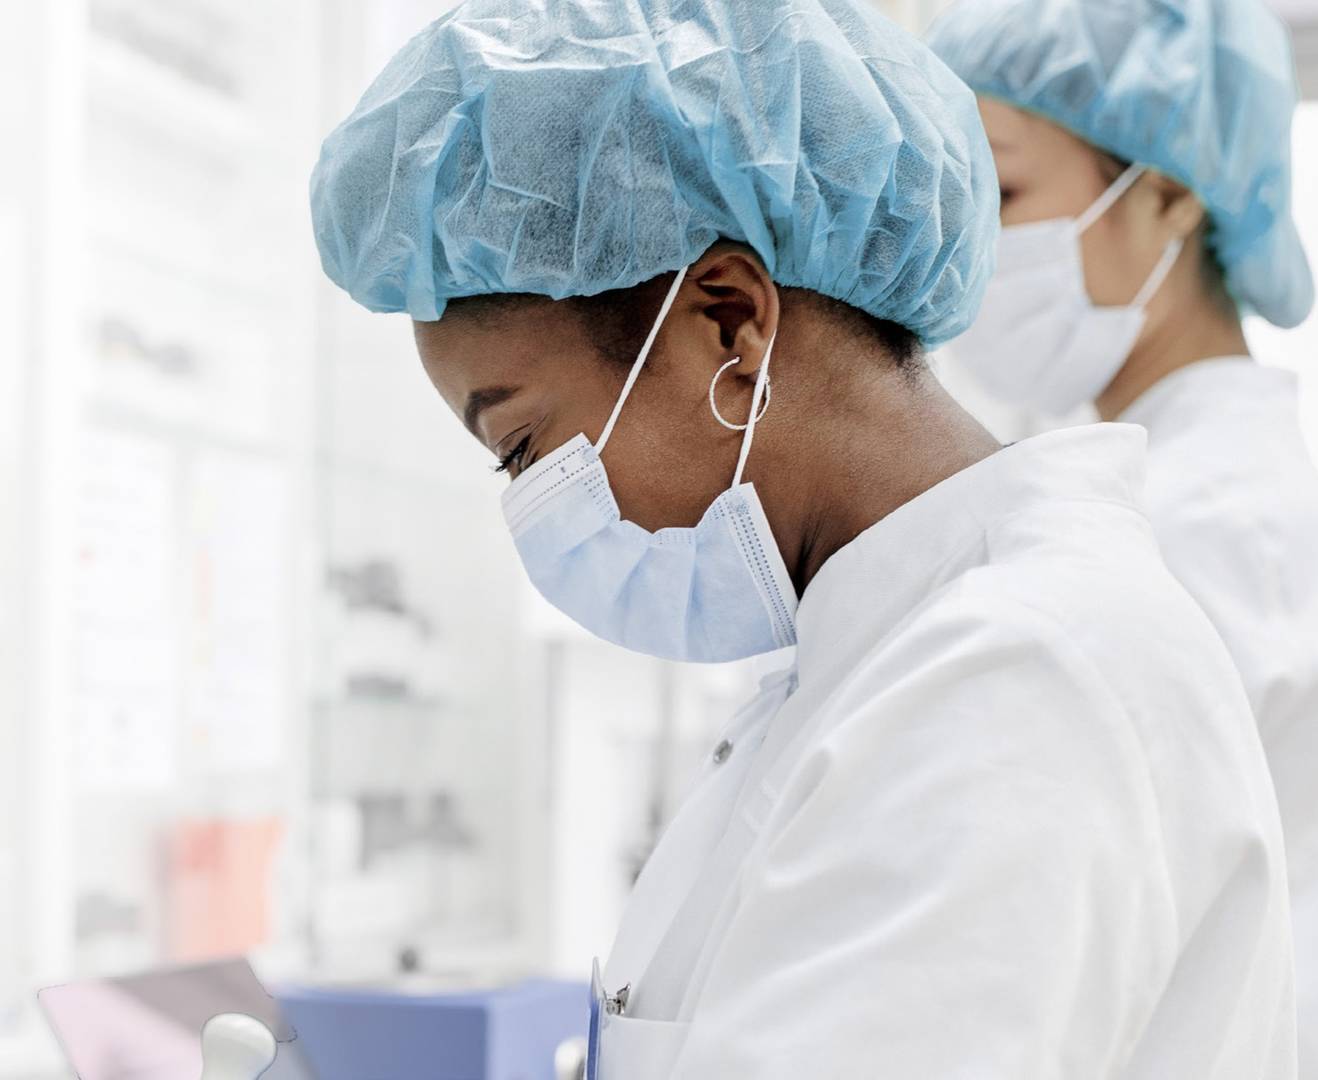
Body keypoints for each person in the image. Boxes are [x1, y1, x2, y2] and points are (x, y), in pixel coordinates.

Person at [309, 0, 1294, 1075]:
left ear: (731, 321)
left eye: (525, 446)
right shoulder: (877, 653)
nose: (536, 505)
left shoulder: (1011, 682)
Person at [928, 2, 1318, 1071]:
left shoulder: (1209, 520)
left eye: (1003, 195)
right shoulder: (1139, 484)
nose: (969, 249)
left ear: (1172, 193)